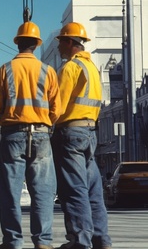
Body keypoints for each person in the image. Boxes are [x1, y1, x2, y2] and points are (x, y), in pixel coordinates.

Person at [0, 21, 61, 249]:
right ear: (37, 45)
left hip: (12, 136)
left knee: (9, 192)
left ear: (18, 43)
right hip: (40, 135)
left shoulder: (5, 70)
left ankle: (13, 242)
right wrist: (44, 126)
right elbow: (56, 109)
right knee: (43, 193)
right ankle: (43, 242)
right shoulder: (48, 72)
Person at [52, 22, 112, 249]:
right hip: (89, 133)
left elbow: (58, 106)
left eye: (61, 42)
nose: (58, 47)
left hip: (71, 133)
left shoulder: (70, 68)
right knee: (93, 191)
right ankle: (101, 239)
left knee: (73, 189)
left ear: (70, 42)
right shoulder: (92, 69)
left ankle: (79, 241)